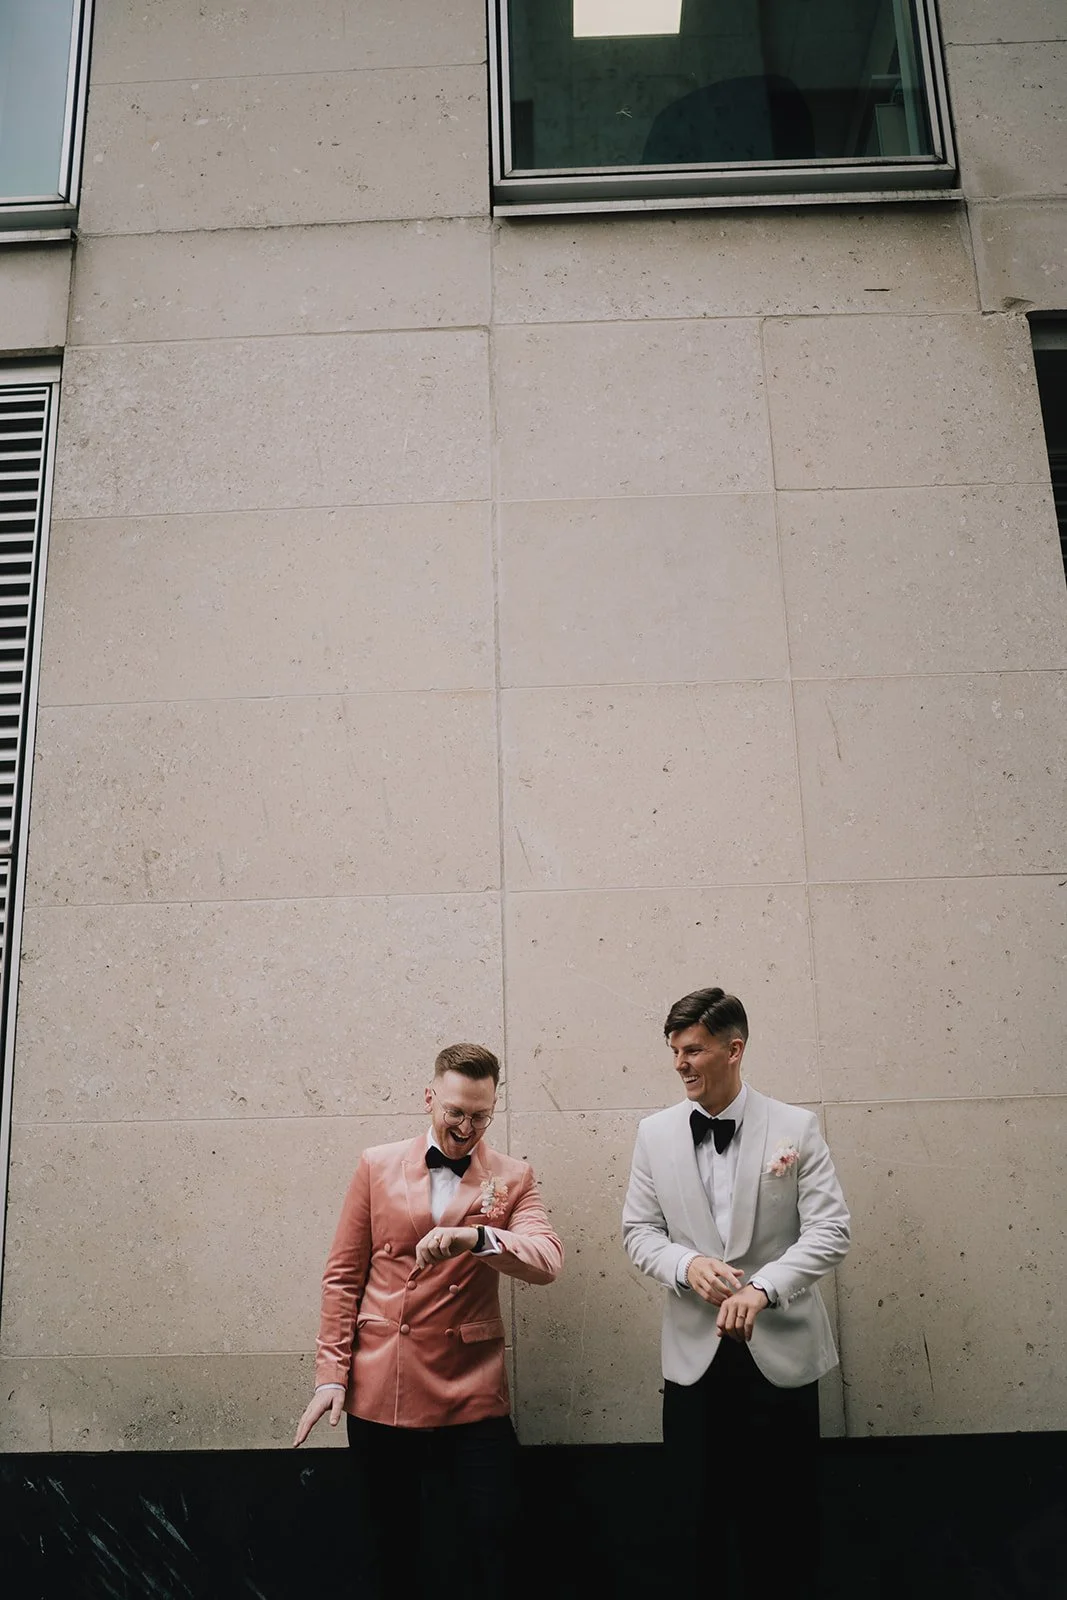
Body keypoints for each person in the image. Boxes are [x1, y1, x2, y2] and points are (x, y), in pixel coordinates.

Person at [294, 1042, 562, 1599]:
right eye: (455, 1111)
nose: (466, 1127)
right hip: (381, 1385)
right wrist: (330, 1376)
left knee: (494, 1540)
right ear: (429, 1098)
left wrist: (477, 1237)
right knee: (391, 1546)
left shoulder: (513, 1178)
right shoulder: (376, 1164)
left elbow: (547, 1260)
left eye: (480, 1115)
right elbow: (343, 1277)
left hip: (472, 1389)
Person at [622, 987, 850, 1598]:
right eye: (674, 1051)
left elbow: (832, 1229)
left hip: (783, 1361)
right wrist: (684, 1263)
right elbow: (638, 1232)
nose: (680, 1064)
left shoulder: (795, 1126)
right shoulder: (655, 1134)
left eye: (692, 1049)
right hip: (694, 1363)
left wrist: (766, 1289)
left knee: (786, 1524)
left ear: (734, 1049)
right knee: (695, 1521)